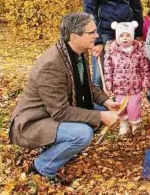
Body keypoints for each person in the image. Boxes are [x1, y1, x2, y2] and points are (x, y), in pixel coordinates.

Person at [9, 13, 121, 183]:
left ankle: (59, 149)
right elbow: (60, 112)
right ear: (74, 37)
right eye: (92, 33)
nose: (97, 36)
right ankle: (41, 167)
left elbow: (86, 83)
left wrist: (106, 101)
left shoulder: (76, 51)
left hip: (53, 112)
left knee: (102, 109)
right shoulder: (52, 66)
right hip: (33, 121)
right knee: (83, 134)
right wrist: (100, 117)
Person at [104, 21, 150, 135]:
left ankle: (135, 124)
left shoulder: (138, 51)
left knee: (134, 107)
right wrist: (108, 82)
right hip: (119, 86)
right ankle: (123, 123)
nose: (125, 38)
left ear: (132, 36)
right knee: (121, 107)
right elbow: (108, 68)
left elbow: (144, 67)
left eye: (128, 35)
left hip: (135, 86)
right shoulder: (112, 52)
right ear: (117, 37)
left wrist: (145, 82)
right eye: (121, 35)